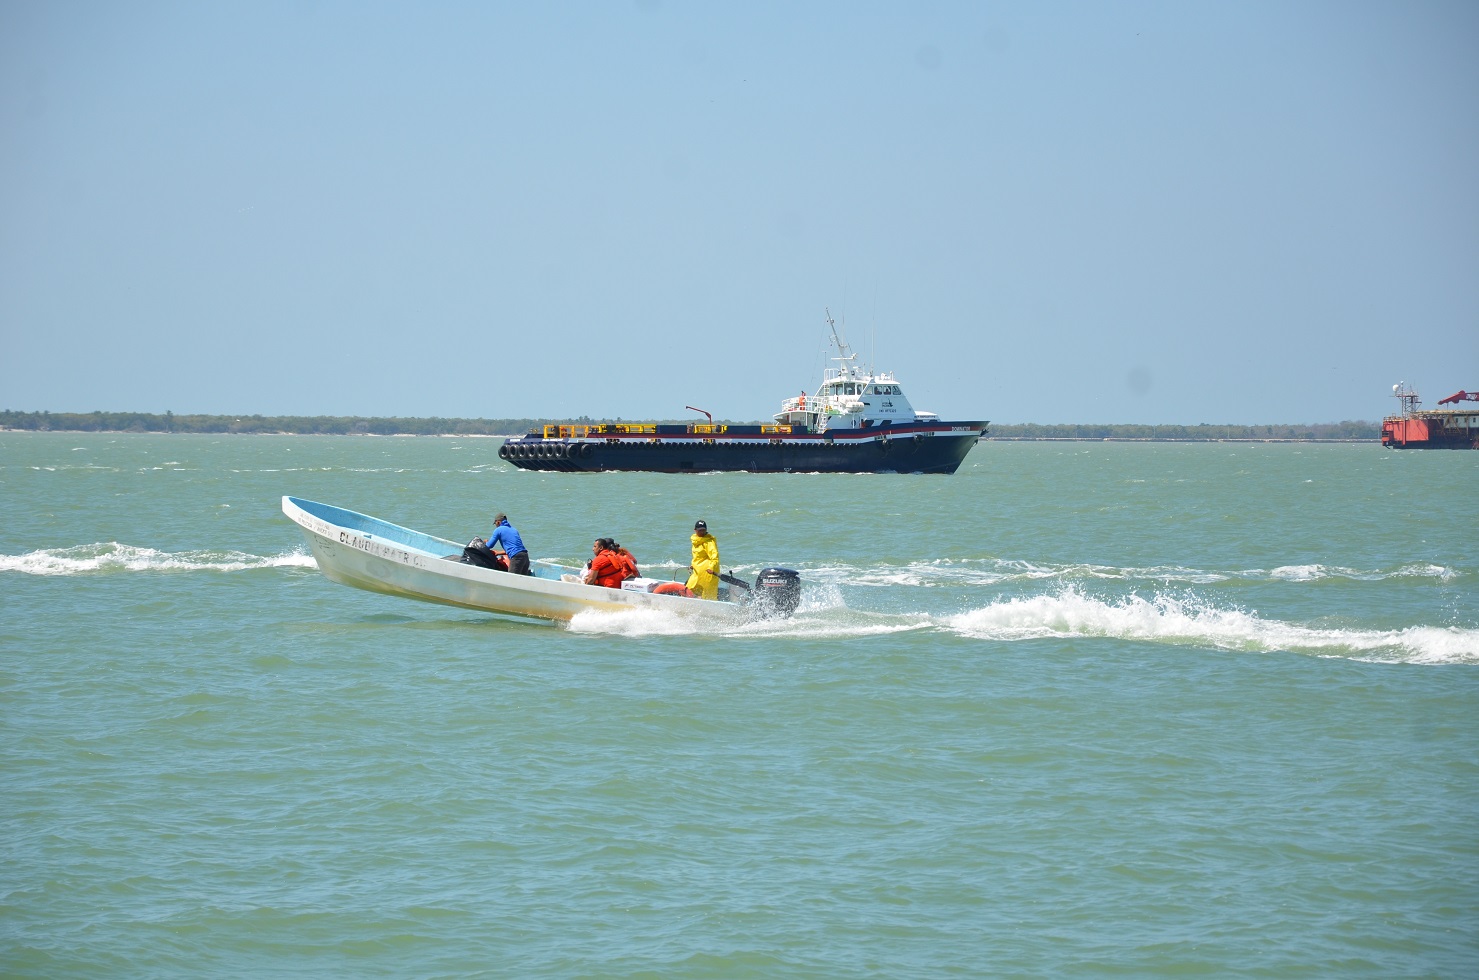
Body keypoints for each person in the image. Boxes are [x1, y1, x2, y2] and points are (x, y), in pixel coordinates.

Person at [686, 519, 720, 600]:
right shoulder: (696, 541)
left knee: (707, 592)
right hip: (697, 571)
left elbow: (714, 557)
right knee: (690, 587)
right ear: (695, 530)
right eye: (700, 530)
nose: (702, 532)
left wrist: (711, 568)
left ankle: (708, 608)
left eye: (704, 530)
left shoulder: (709, 542)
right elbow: (698, 557)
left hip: (708, 572)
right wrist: (693, 565)